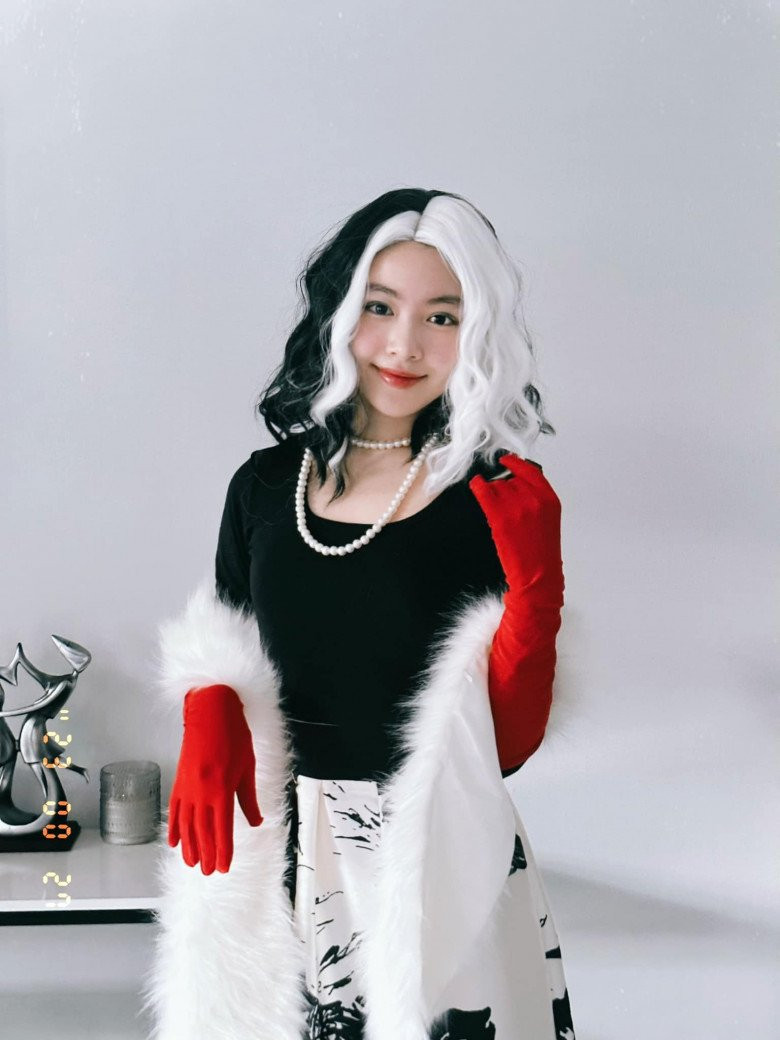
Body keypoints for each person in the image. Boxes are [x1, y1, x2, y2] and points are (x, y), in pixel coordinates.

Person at [142, 188, 576, 1040]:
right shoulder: (265, 485)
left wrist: (539, 592)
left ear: (478, 334)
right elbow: (225, 631)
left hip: (436, 856)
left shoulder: (490, 498)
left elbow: (509, 744)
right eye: (380, 307)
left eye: (443, 317)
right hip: (281, 857)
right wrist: (208, 704)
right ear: (340, 313)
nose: (404, 345)